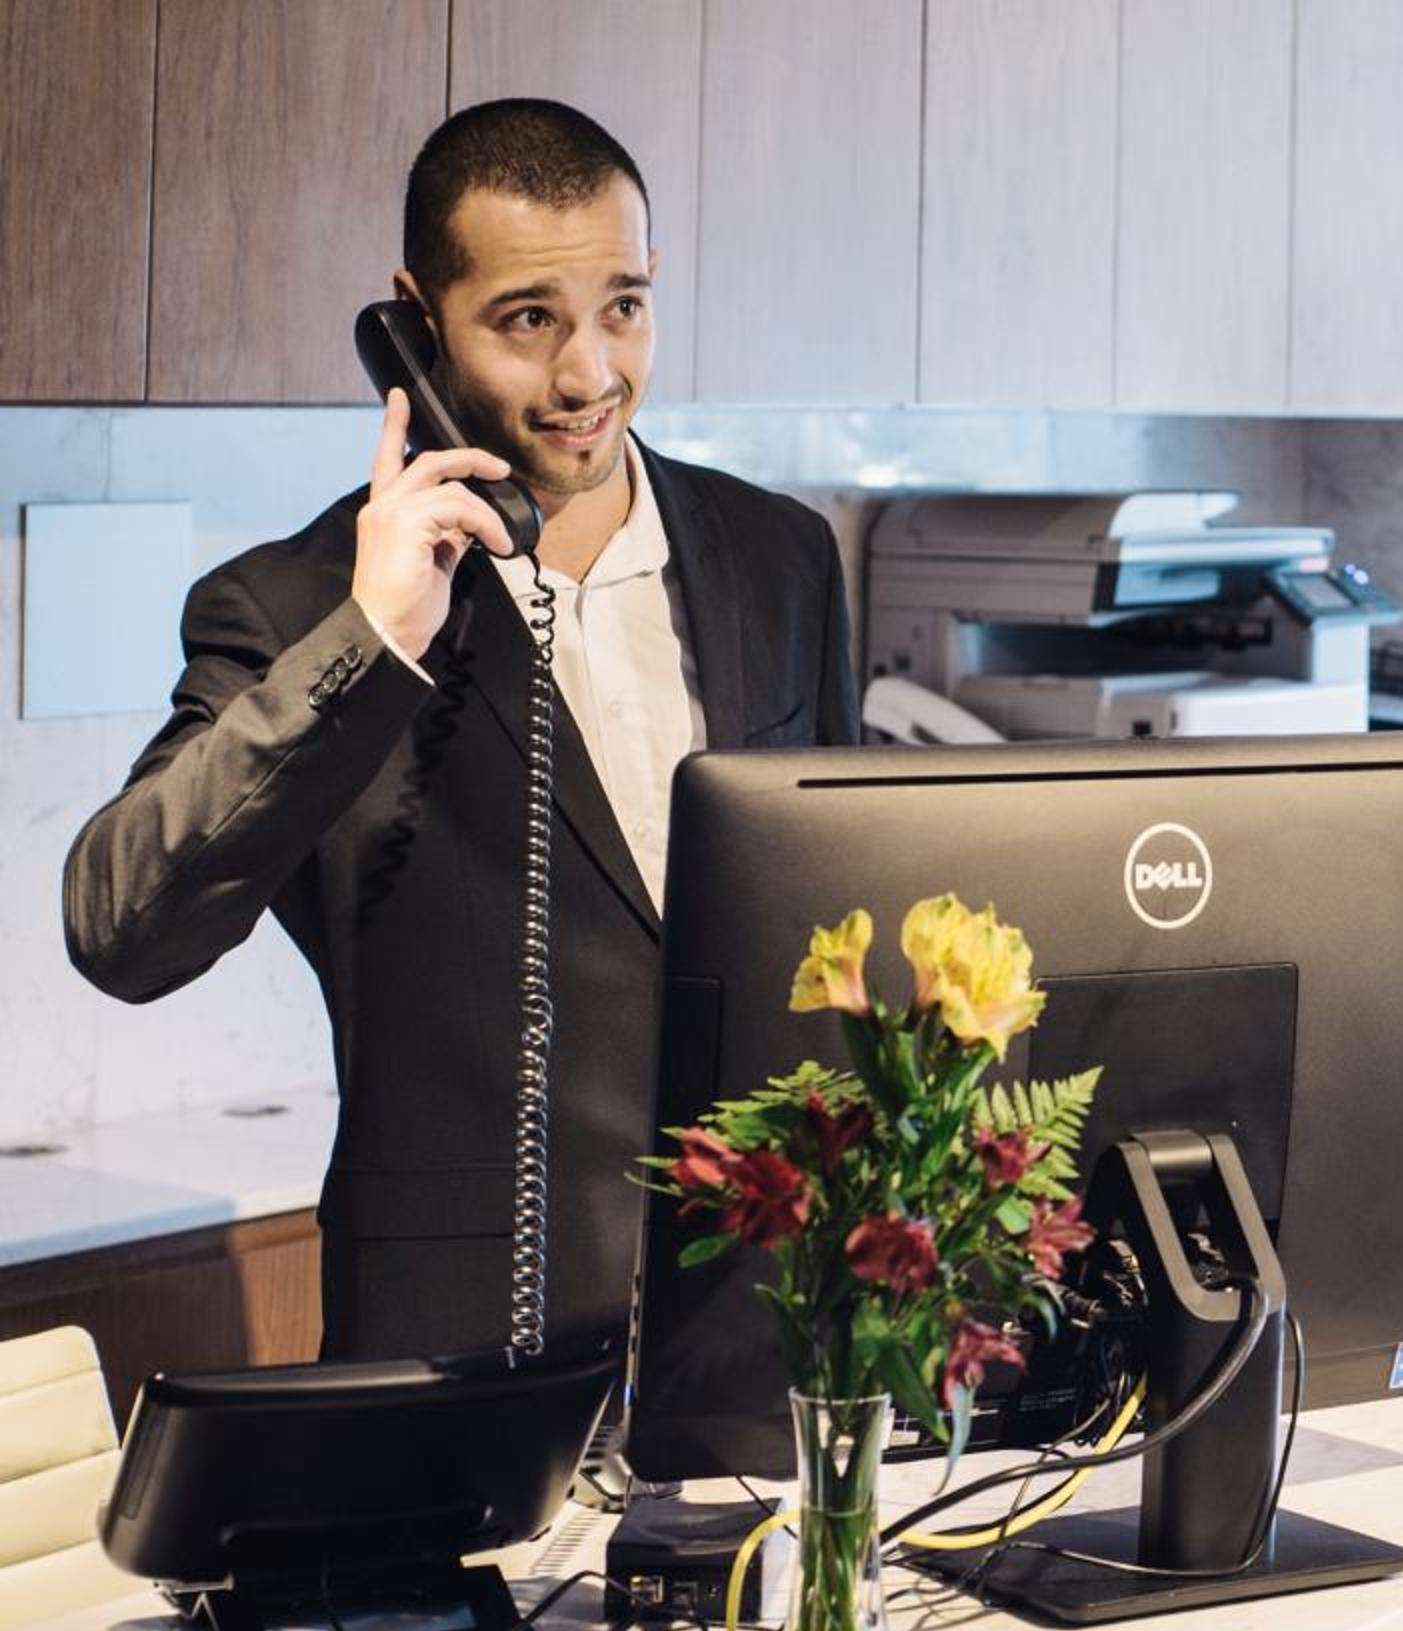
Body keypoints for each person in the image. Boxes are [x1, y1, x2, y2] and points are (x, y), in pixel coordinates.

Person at [63, 99, 860, 1361]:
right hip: (455, 1362)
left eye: (624, 305)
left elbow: (844, 927)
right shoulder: (296, 608)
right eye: (529, 319)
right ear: (416, 321)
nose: (589, 374)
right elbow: (121, 927)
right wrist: (373, 638)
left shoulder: (784, 555)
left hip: (769, 1333)